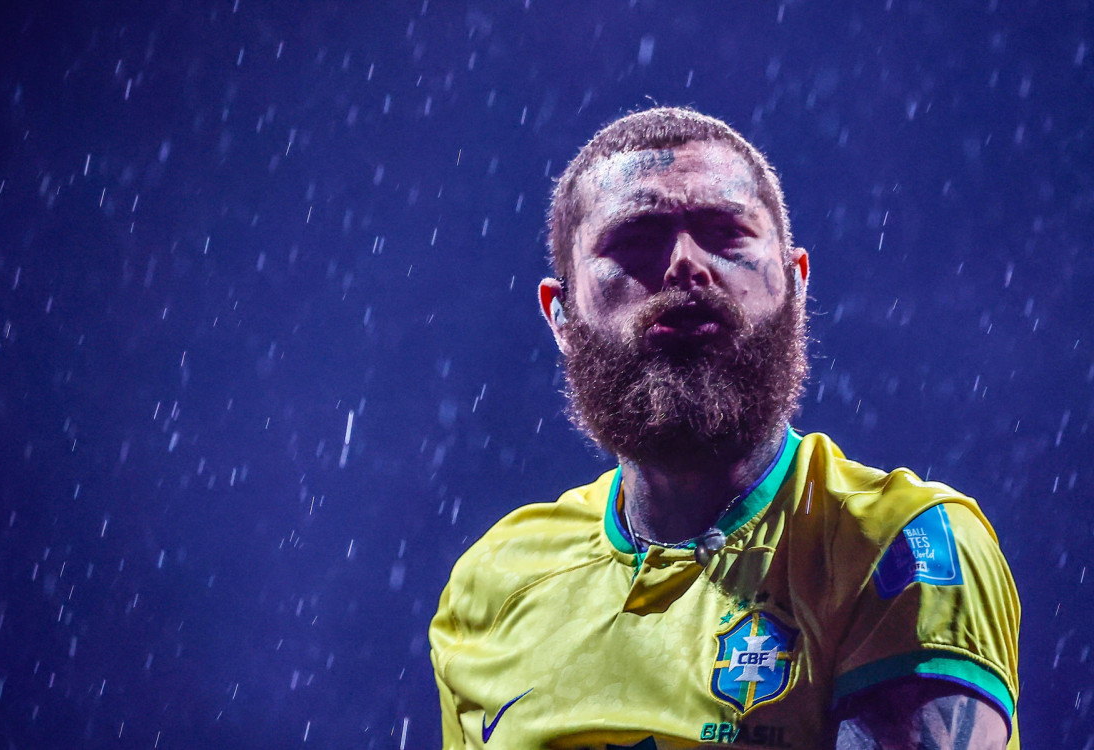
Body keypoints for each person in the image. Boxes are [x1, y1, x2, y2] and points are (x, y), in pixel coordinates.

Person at [428, 107, 1020, 749]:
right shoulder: (491, 584)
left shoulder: (897, 549)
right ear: (561, 315)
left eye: (725, 233)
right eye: (635, 240)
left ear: (796, 286)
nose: (686, 266)